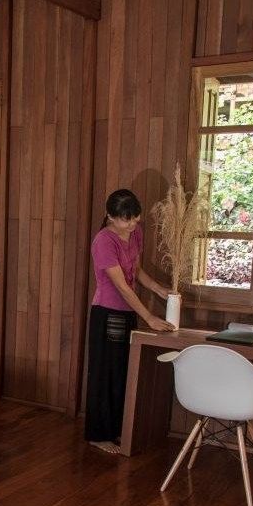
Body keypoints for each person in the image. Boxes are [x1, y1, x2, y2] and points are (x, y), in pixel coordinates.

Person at [86, 189, 174, 454]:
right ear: (110, 216)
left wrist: (158, 289)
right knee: (105, 373)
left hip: (128, 312)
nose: (133, 223)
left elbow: (135, 270)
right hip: (107, 313)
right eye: (127, 219)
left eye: (135, 217)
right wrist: (150, 317)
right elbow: (122, 287)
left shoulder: (136, 233)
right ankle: (98, 435)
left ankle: (116, 430)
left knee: (123, 371)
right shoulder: (103, 241)